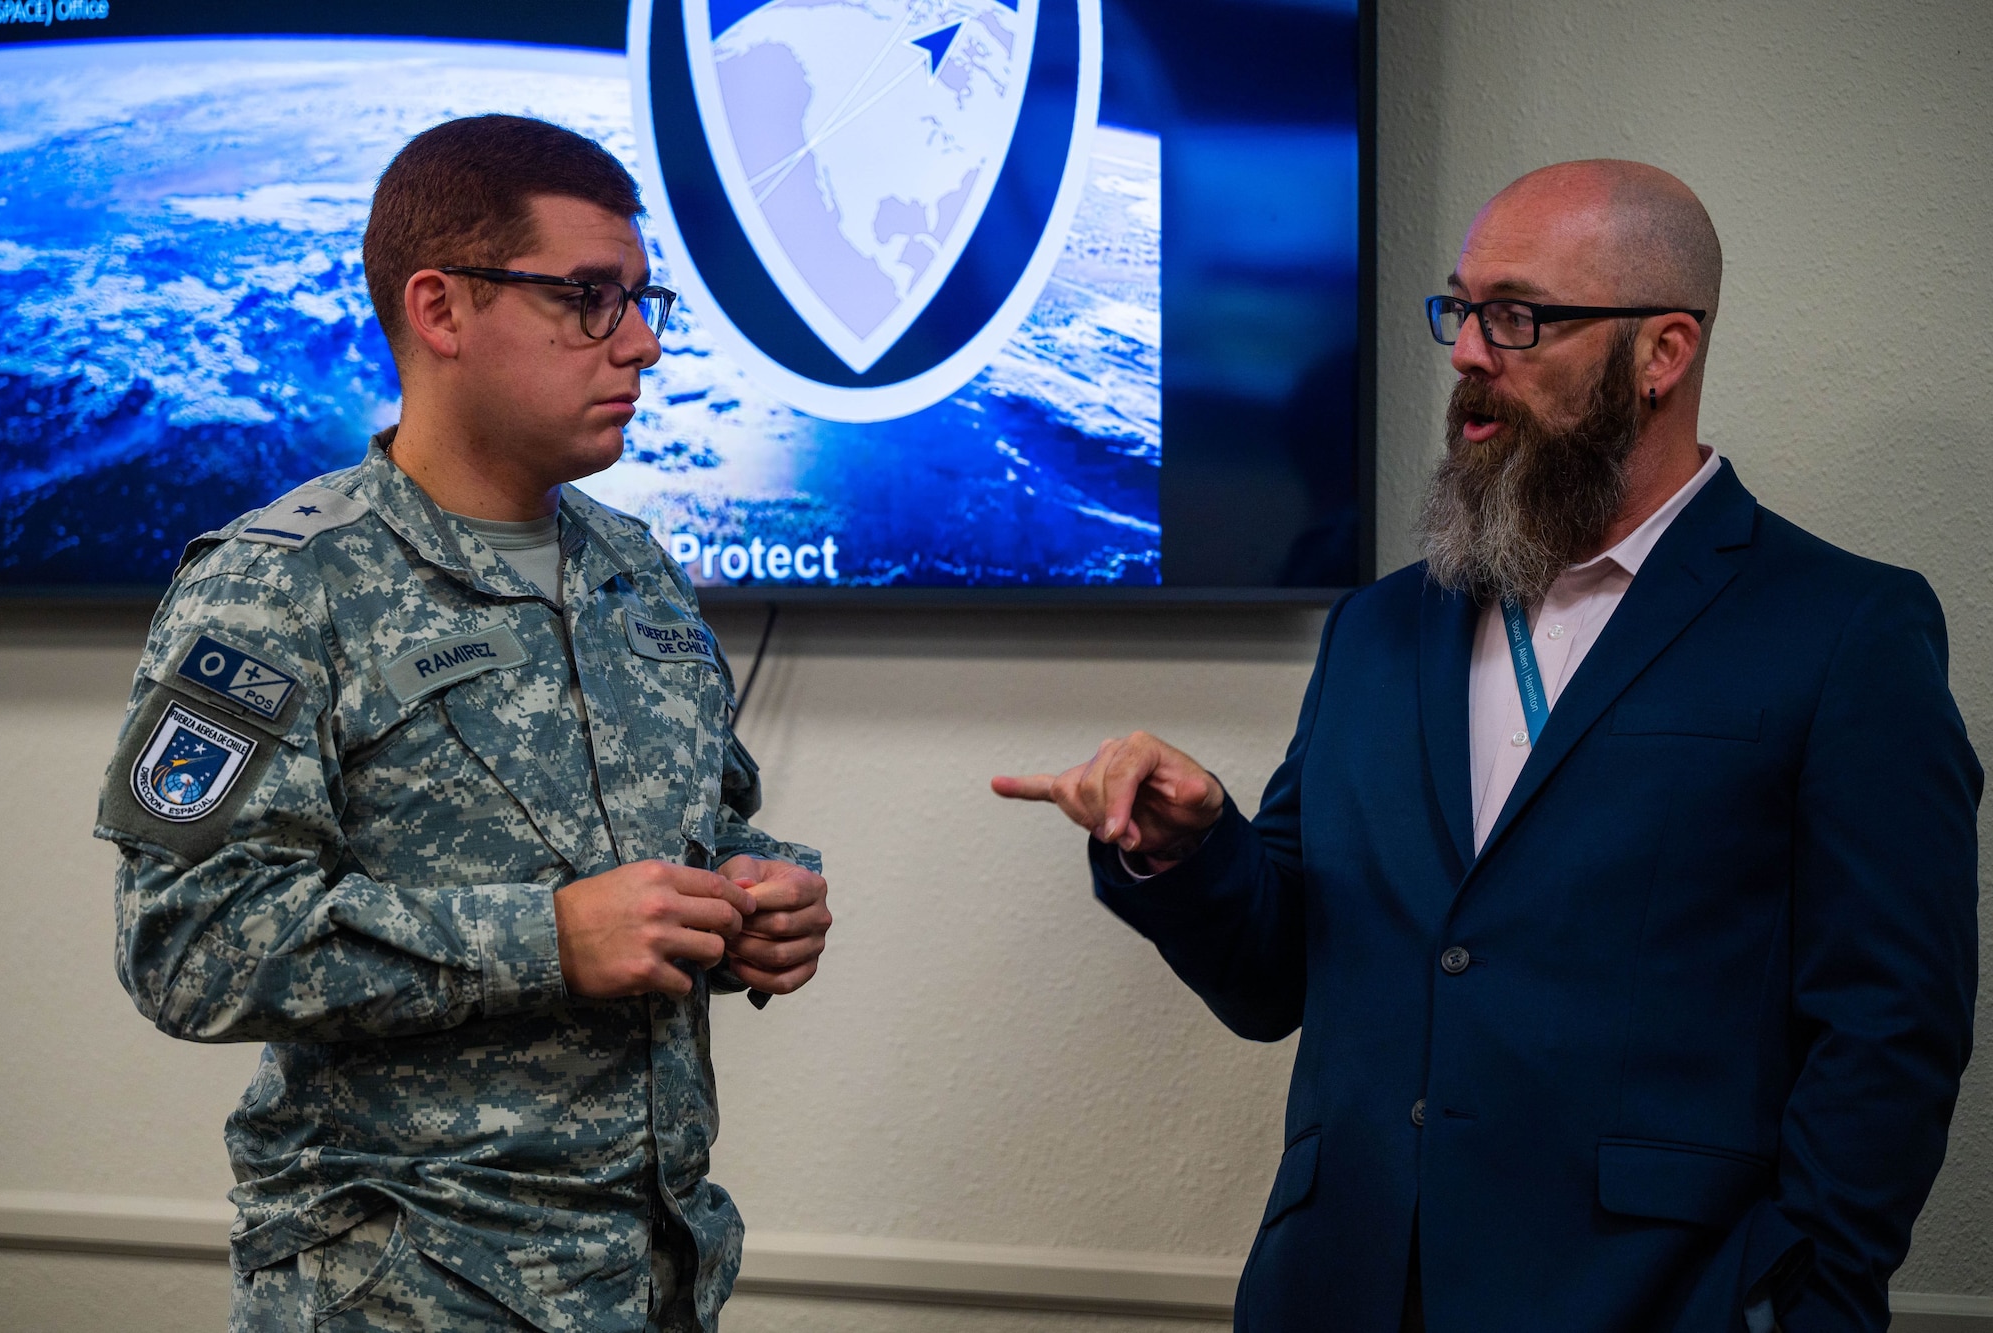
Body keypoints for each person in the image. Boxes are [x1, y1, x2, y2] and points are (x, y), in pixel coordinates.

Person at [995, 160, 1980, 1332]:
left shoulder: (1839, 629)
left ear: (1661, 353)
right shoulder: (1375, 627)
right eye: (1458, 310)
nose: (1467, 352)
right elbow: (1274, 983)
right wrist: (1191, 848)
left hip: (1652, 1300)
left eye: (1516, 317)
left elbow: (1890, 1025)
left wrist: (1802, 1303)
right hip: (1342, 1292)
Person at [97, 114, 831, 1332]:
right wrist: (543, 938)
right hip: (406, 1287)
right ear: (440, 311)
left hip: (656, 1275)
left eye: (644, 300)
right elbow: (185, 942)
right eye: (590, 297)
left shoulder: (636, 572)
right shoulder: (278, 584)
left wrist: (762, 893)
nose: (641, 344)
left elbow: (707, 820)